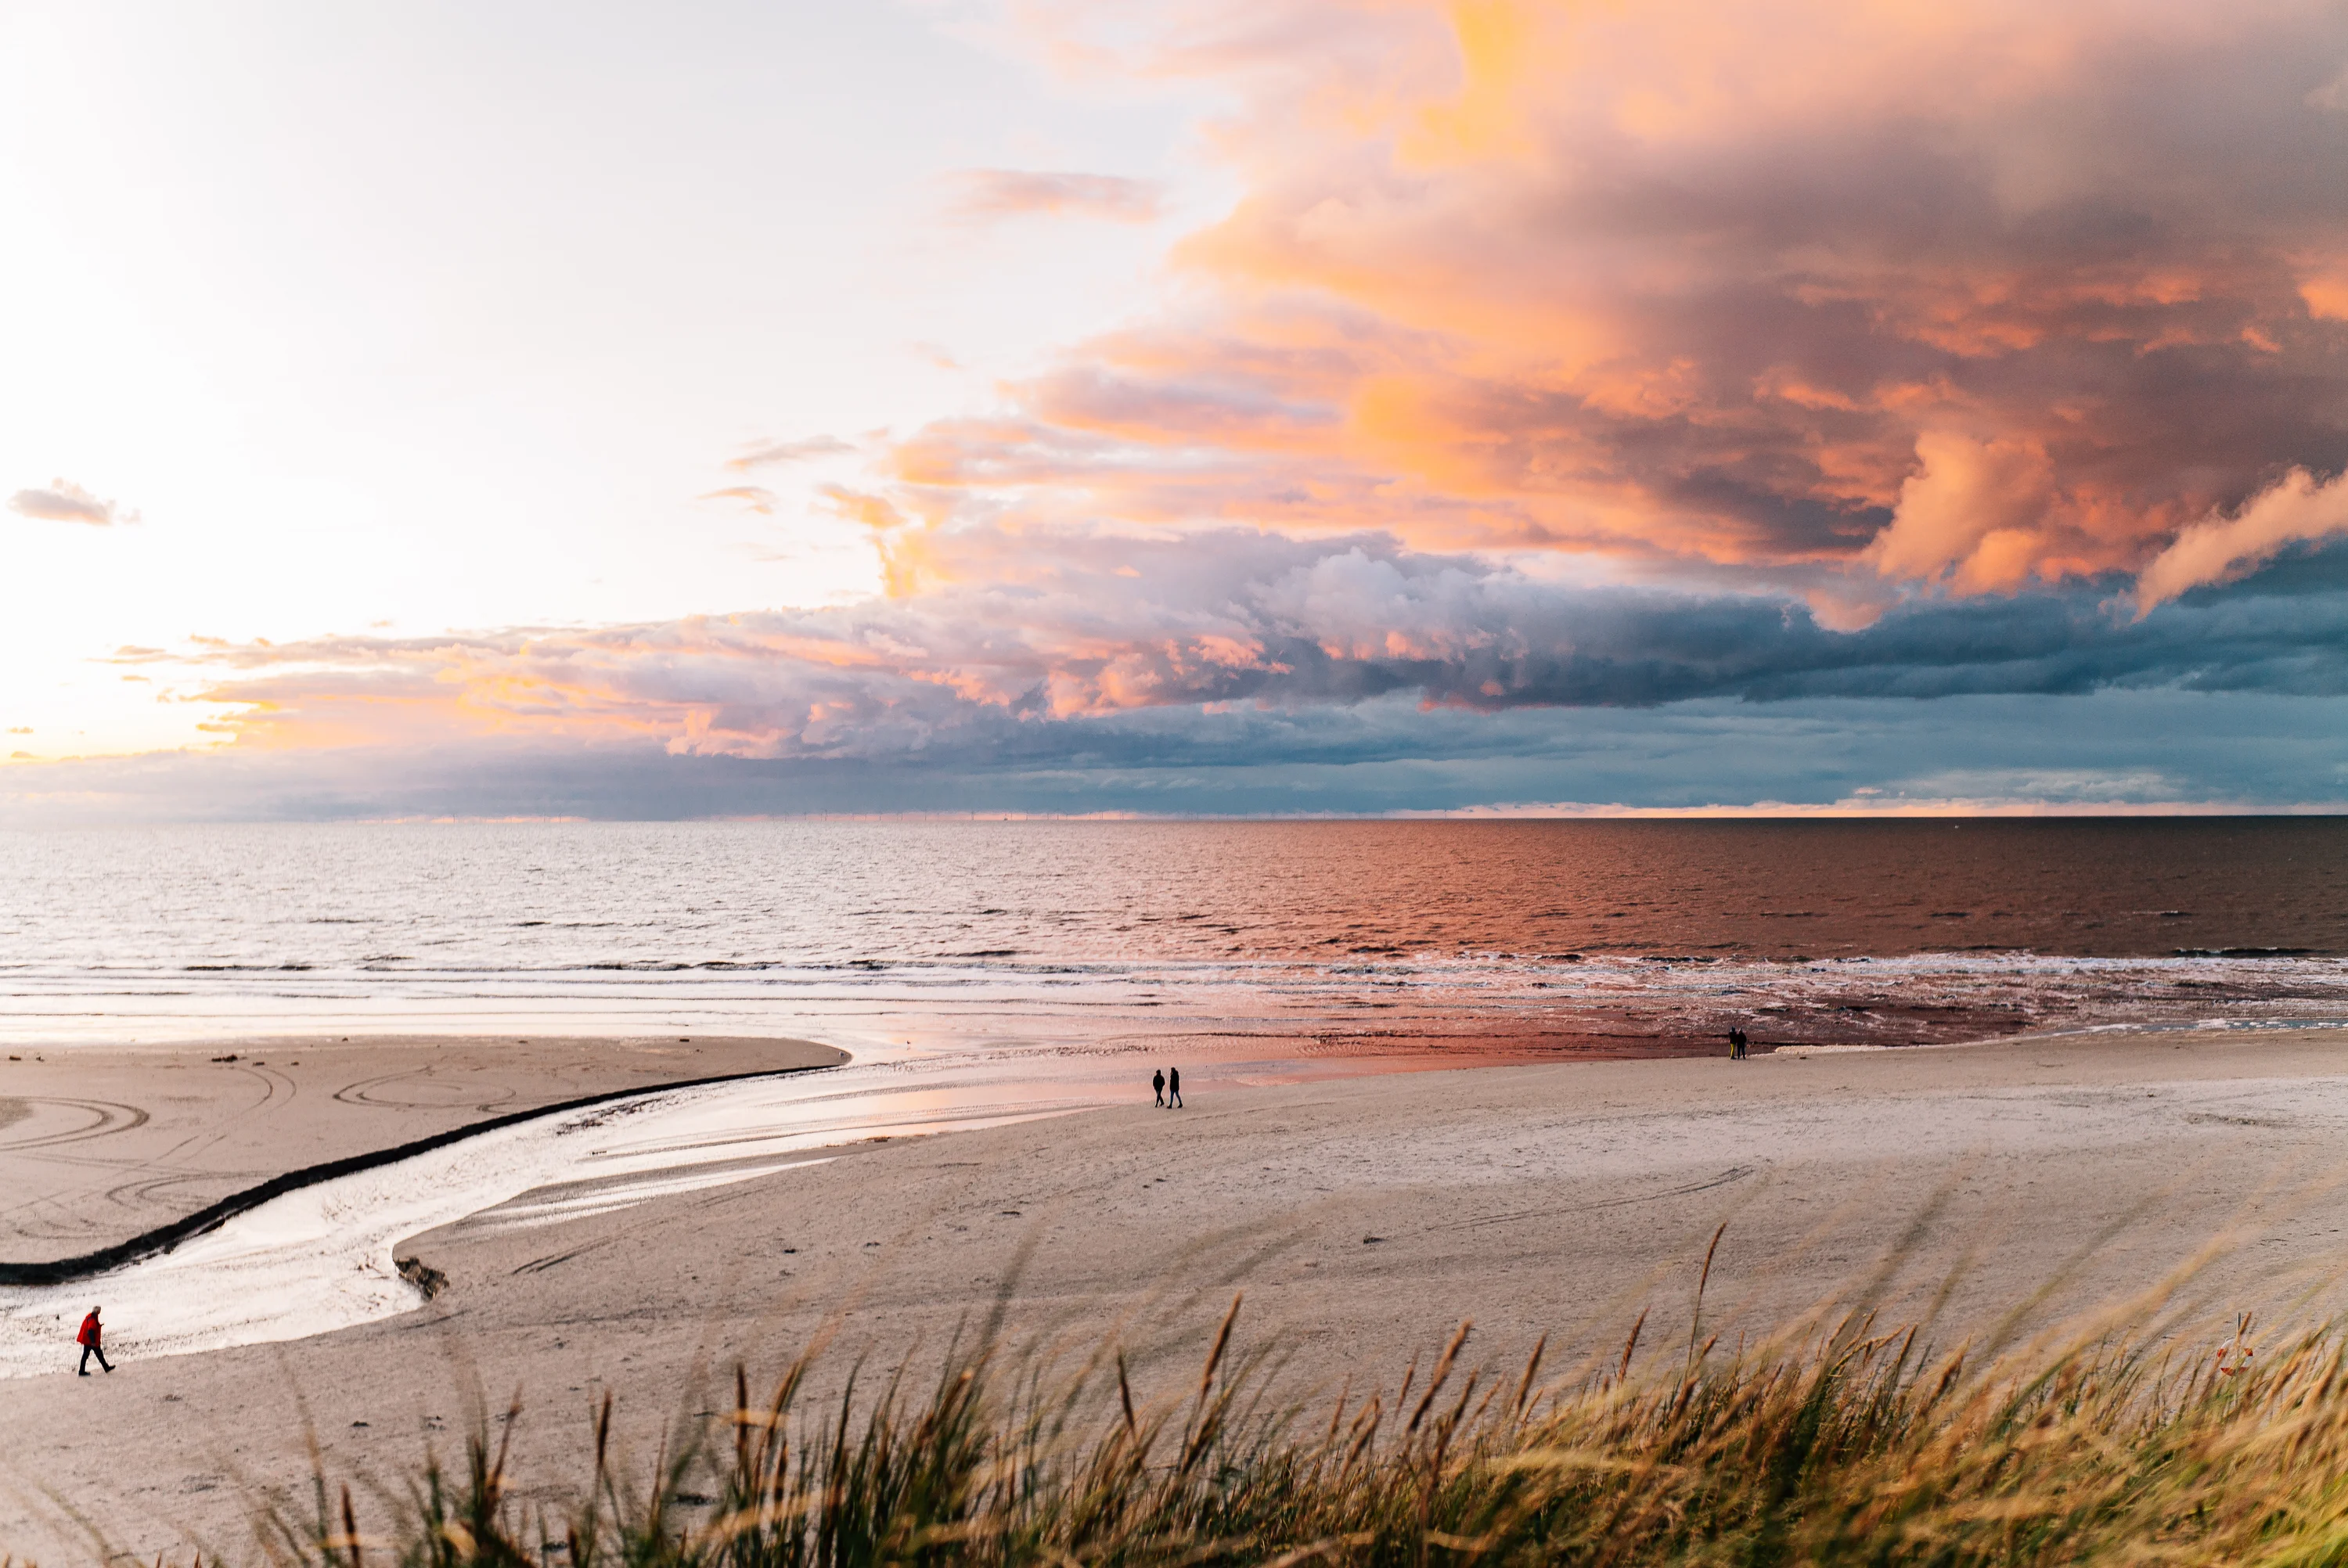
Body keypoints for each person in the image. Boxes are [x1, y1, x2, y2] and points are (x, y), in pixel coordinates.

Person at [77, 1306, 112, 1376]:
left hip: (88, 1340)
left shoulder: (90, 1318)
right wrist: (93, 1342)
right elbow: (90, 1331)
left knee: (87, 1356)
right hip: (90, 1341)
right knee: (98, 1355)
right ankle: (106, 1368)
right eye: (99, 1310)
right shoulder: (92, 1320)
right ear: (97, 1312)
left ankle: (82, 1371)